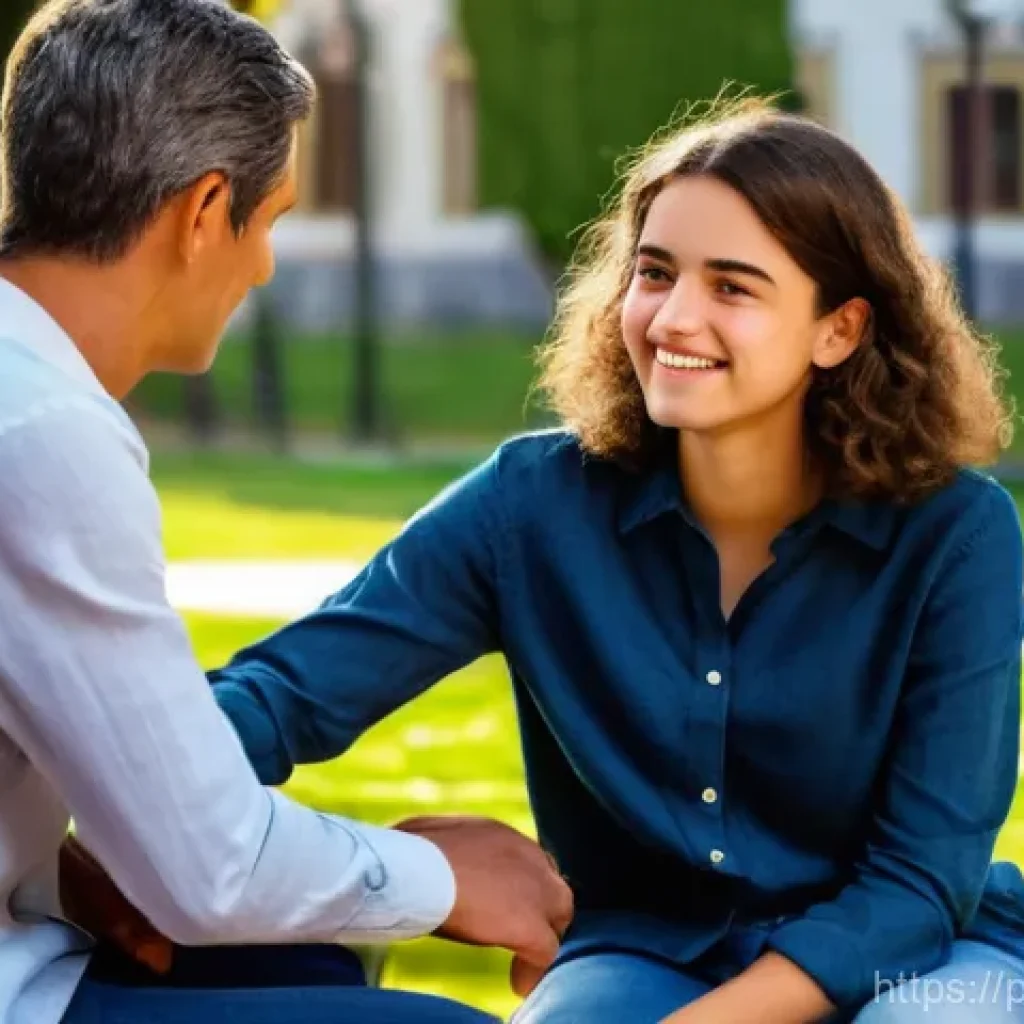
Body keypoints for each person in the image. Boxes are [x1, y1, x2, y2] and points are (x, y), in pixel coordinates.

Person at [199, 98, 1024, 1023]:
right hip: (645, 948)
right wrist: (105, 806)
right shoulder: (530, 507)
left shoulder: (959, 536)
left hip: (913, 965)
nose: (674, 317)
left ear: (839, 329)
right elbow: (283, 694)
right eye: (654, 272)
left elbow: (919, 882)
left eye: (733, 287)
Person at [0, 2, 572, 1023]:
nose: (262, 265)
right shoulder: (42, 430)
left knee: (313, 964)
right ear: (204, 209)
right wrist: (441, 873)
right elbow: (209, 866)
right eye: (269, 222)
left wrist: (52, 871)